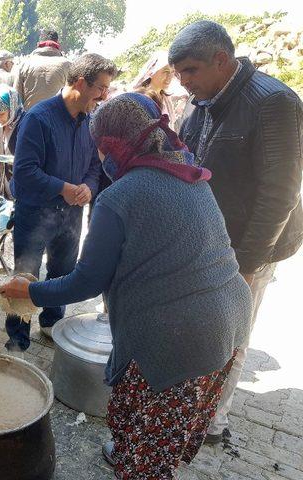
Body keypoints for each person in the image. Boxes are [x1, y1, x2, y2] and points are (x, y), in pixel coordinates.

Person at [0, 92, 253, 479]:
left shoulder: (121, 196)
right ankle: (136, 447)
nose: (100, 158)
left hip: (178, 340)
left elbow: (87, 281)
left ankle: (141, 459)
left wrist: (28, 291)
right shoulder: (189, 174)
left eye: (100, 148)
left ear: (112, 145)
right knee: (162, 431)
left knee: (148, 460)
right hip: (230, 321)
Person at [170, 20, 303, 445]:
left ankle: (211, 423)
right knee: (200, 330)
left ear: (221, 60)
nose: (184, 82)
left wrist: (247, 264)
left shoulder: (275, 101)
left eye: (190, 71)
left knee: (232, 336)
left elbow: (280, 193)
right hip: (203, 238)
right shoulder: (200, 99)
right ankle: (188, 403)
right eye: (179, 73)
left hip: (248, 248)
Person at [5, 53, 116, 351]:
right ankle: (17, 339)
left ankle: (52, 324)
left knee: (63, 273)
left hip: (71, 216)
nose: (104, 96)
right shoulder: (38, 118)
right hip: (34, 215)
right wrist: (63, 187)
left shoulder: (90, 122)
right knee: (26, 276)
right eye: (101, 88)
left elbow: (95, 166)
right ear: (80, 82)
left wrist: (88, 188)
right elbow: (24, 172)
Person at [14, 30, 71, 110]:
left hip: (29, 119)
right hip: (57, 120)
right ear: (57, 44)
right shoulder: (68, 65)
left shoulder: (24, 64)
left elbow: (15, 99)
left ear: (38, 44)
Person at [131, 51, 186, 129]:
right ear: (152, 72)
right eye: (166, 71)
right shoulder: (141, 98)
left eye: (172, 72)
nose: (169, 77)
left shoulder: (164, 96)